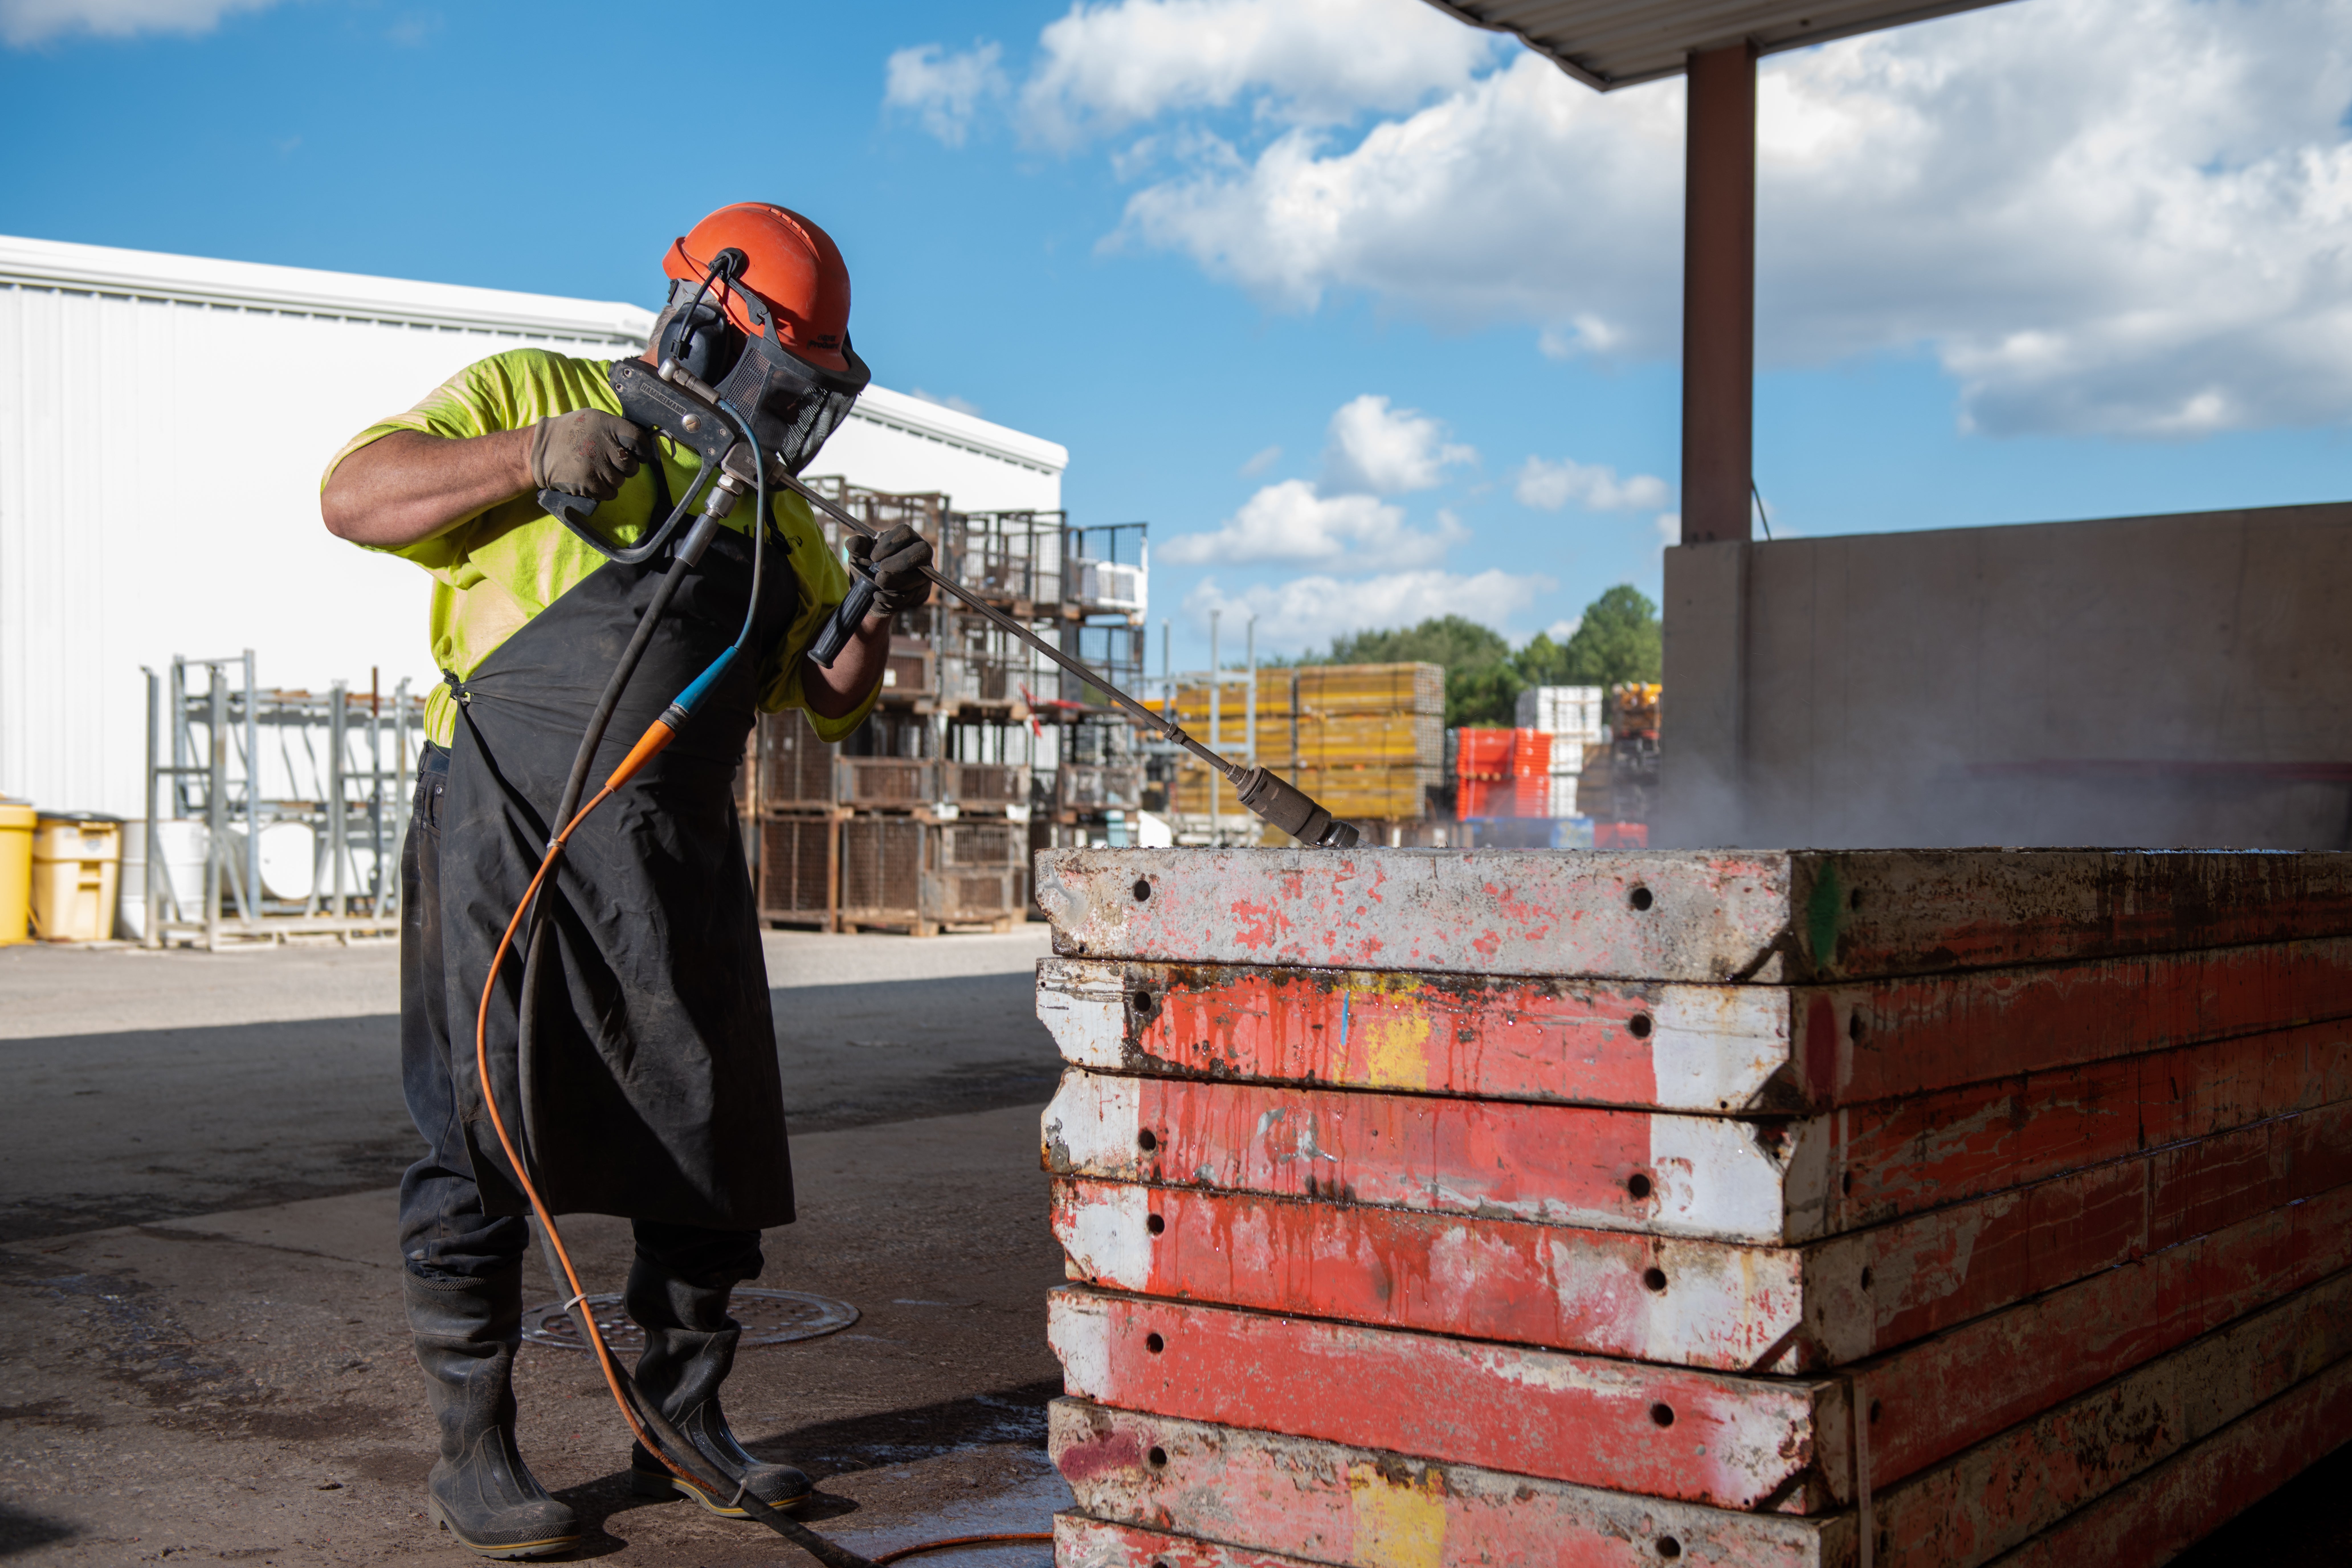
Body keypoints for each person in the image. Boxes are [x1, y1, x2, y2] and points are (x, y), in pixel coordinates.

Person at [319, 202, 932, 1561]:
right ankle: (475, 1443)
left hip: (674, 851)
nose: (788, 413)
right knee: (480, 1128)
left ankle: (681, 1421)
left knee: (711, 1136)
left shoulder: (780, 513)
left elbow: (830, 701)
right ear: (704, 323)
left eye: (809, 393)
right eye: (779, 377)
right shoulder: (530, 392)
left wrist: (877, 607)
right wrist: (529, 455)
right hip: (503, 829)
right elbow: (353, 495)